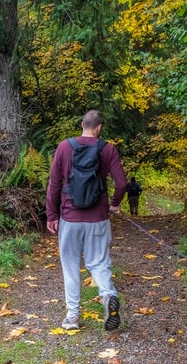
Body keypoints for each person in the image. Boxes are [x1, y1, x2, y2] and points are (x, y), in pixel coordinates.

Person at [46, 110, 127, 331]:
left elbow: (54, 183)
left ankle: (72, 318)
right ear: (99, 127)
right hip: (98, 218)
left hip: (70, 218)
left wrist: (52, 215)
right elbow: (121, 183)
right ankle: (108, 295)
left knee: (70, 267)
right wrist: (115, 203)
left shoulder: (65, 147)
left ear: (82, 124)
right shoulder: (108, 149)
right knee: (99, 263)